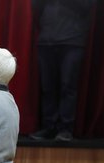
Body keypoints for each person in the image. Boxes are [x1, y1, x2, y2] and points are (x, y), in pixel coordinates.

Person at [29, 0, 95, 142]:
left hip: (72, 40)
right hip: (46, 39)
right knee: (48, 88)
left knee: (68, 86)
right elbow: (35, 6)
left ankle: (65, 129)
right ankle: (49, 126)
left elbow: (87, 6)